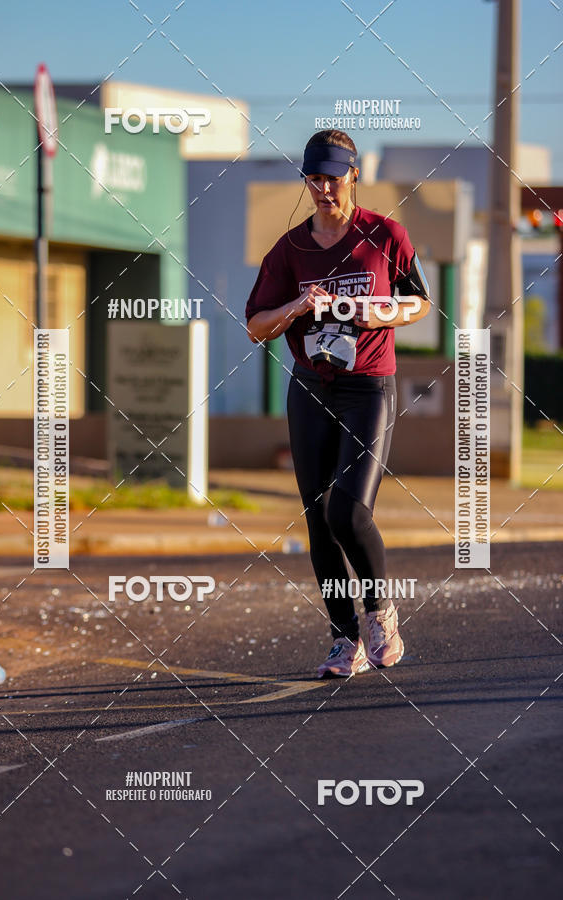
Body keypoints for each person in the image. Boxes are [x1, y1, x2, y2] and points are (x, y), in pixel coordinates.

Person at [245, 130, 431, 678]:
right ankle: (342, 639)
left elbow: (419, 301)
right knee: (318, 520)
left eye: (333, 176)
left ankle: (379, 613)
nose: (324, 188)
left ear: (353, 174)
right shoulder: (289, 248)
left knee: (347, 511)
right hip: (310, 388)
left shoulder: (384, 235)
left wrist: (378, 313)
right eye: (314, 177)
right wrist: (298, 305)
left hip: (368, 386)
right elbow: (256, 328)